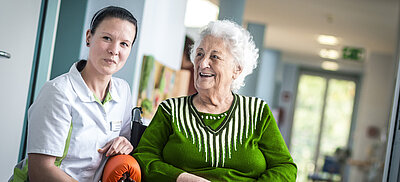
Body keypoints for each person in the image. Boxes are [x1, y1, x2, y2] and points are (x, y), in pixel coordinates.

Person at [133, 20, 297, 181]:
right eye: (199, 54)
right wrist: (182, 178)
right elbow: (144, 156)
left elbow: (285, 167)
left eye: (215, 57)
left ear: (236, 69)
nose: (203, 63)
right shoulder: (171, 110)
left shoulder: (257, 112)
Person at [26, 6, 138, 182]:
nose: (114, 50)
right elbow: (40, 170)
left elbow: (123, 139)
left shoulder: (123, 91)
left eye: (124, 44)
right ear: (89, 37)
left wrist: (124, 144)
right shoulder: (58, 92)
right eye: (107, 38)